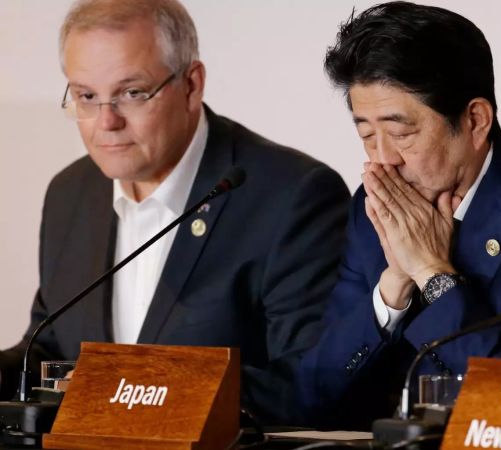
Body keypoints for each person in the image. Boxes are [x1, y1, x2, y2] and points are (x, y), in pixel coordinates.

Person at [0, 0, 349, 424]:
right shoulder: (70, 194)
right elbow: (50, 346)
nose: (105, 121)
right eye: (87, 96)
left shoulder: (291, 195)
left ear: (191, 85)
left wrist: (138, 392)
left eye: (131, 92)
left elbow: (310, 383)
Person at [294, 1, 501, 429]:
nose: (382, 159)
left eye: (401, 133)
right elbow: (311, 400)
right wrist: (393, 289)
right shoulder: (376, 205)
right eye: (366, 134)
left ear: (476, 120)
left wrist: (432, 274)